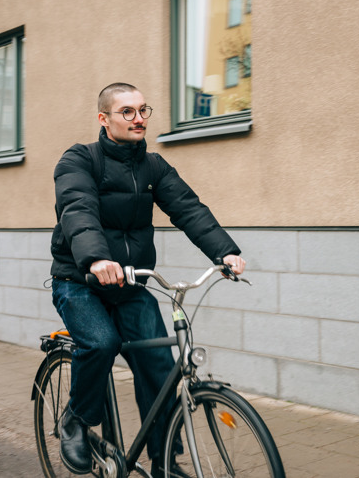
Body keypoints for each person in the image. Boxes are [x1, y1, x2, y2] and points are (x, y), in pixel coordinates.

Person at [49, 82, 245, 476]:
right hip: (80, 283)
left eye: (143, 110)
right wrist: (97, 258)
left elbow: (188, 208)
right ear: (104, 119)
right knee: (101, 344)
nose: (138, 118)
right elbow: (78, 208)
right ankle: (76, 419)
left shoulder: (153, 166)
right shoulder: (79, 160)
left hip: (130, 285)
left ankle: (164, 463)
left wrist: (224, 251)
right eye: (127, 112)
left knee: (159, 367)